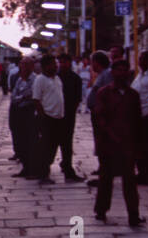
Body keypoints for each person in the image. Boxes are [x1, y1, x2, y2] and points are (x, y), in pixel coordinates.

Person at [93, 58, 145, 227]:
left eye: (125, 70)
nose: (122, 73)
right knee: (106, 179)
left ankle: (133, 214)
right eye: (118, 70)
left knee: (129, 180)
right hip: (108, 143)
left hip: (128, 143)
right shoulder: (104, 93)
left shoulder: (133, 95)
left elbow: (138, 121)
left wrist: (138, 145)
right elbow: (99, 118)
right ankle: (101, 210)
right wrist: (110, 134)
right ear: (113, 73)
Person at [31, 54, 65, 183]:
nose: (56, 66)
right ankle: (43, 174)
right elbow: (36, 99)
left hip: (58, 118)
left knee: (53, 147)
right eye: (53, 64)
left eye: (56, 64)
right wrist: (42, 116)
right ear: (46, 66)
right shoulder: (40, 80)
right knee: (46, 147)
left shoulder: (57, 78)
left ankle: (46, 171)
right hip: (47, 118)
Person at [129, 49, 148, 185]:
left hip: (146, 115)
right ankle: (142, 173)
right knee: (139, 147)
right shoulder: (140, 75)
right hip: (137, 115)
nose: (140, 61)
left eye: (143, 59)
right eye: (139, 59)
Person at [85, 51, 112, 185]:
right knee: (100, 144)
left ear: (97, 62)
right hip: (97, 114)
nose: (91, 66)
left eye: (92, 62)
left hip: (102, 115)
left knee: (103, 144)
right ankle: (103, 170)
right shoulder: (102, 75)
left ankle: (105, 174)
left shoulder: (106, 75)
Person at [56, 52, 84, 181]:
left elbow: (78, 98)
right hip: (54, 115)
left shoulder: (75, 78)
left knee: (67, 143)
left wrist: (71, 110)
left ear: (69, 63)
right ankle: (44, 169)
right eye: (60, 62)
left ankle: (67, 167)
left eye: (64, 62)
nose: (62, 65)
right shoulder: (54, 77)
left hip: (68, 115)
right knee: (51, 142)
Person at [9, 56, 37, 175]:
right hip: (19, 113)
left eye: (26, 65)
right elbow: (14, 97)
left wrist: (20, 98)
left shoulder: (35, 80)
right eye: (22, 64)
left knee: (30, 142)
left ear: (32, 66)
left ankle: (32, 168)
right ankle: (25, 167)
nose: (23, 67)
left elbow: (30, 95)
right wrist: (21, 98)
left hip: (29, 113)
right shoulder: (20, 80)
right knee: (21, 141)